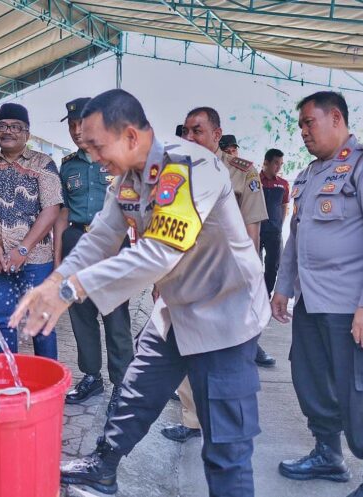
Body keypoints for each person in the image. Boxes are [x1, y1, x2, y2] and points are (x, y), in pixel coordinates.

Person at [9, 89, 269, 496]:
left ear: (130, 136)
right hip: (176, 308)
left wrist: (73, 288)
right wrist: (54, 282)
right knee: (135, 392)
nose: (93, 157)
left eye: (96, 145)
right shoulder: (129, 177)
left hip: (225, 314)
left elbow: (160, 252)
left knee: (224, 442)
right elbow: (101, 238)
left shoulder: (188, 166)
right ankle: (103, 466)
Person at [272, 91, 363, 497]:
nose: (303, 133)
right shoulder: (309, 174)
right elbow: (295, 238)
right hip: (313, 304)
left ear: (336, 118)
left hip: (355, 308)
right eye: (300, 126)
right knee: (311, 383)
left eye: (309, 123)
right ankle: (328, 455)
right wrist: (283, 287)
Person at [162, 109, 272, 445]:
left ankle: (227, 425)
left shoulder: (242, 173)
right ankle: (193, 419)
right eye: (187, 132)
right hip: (185, 276)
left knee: (225, 356)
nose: (191, 138)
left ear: (216, 133)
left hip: (227, 278)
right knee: (186, 345)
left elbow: (252, 232)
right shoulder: (175, 172)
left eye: (198, 131)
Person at [0, 102, 61, 359]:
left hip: (35, 260)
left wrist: (23, 248)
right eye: (3, 126)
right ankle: (7, 381)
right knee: (2, 320)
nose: (8, 131)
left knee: (41, 323)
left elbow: (51, 210)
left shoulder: (43, 163)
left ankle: (47, 385)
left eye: (16, 127)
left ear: (27, 133)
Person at [53, 97, 133, 415]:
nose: (76, 130)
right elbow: (61, 212)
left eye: (81, 124)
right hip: (76, 240)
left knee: (115, 316)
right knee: (81, 314)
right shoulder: (68, 165)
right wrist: (59, 258)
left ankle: (122, 384)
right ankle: (91, 377)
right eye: (72, 125)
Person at [259, 148, 289, 295]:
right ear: (266, 162)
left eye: (281, 164)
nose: (278, 167)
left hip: (274, 231)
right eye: (276, 163)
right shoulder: (254, 180)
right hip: (256, 229)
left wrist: (280, 226)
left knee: (272, 266)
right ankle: (255, 294)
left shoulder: (283, 184)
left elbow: (284, 206)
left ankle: (266, 294)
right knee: (254, 265)